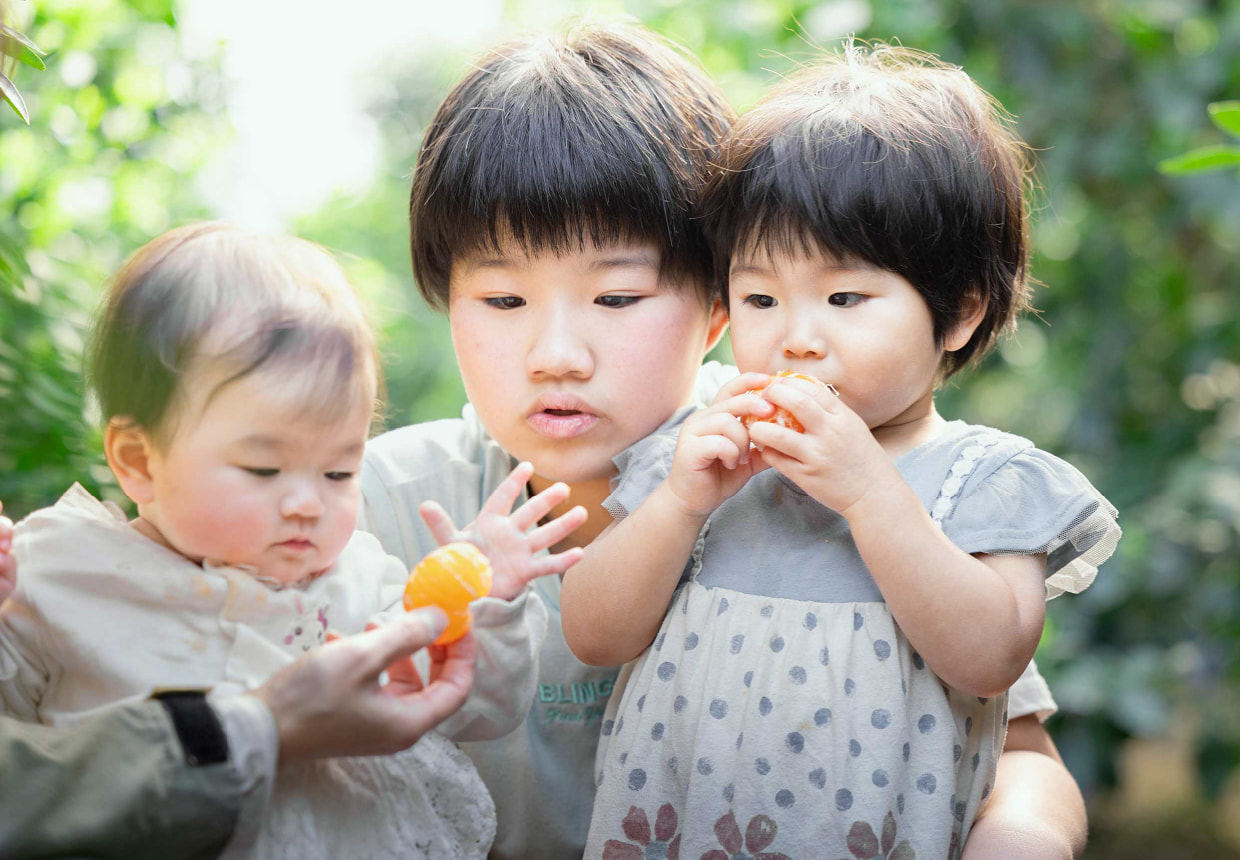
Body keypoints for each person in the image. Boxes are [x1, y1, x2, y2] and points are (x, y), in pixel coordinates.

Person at [360, 21, 1089, 860]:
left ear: (718, 303)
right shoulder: (379, 499)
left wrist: (1022, 833)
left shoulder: (801, 463)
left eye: (618, 297)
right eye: (501, 301)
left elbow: (1021, 750)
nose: (556, 355)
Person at [559, 43, 1121, 859]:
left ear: (957, 314)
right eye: (759, 296)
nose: (796, 338)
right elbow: (593, 633)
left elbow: (990, 657)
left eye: (844, 296)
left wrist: (869, 494)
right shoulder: (699, 455)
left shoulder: (986, 481)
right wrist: (679, 504)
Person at [0, 223, 586, 860]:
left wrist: (479, 608)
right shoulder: (63, 570)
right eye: (263, 470)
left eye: (339, 471)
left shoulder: (358, 576)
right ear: (138, 459)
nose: (309, 504)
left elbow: (473, 709)